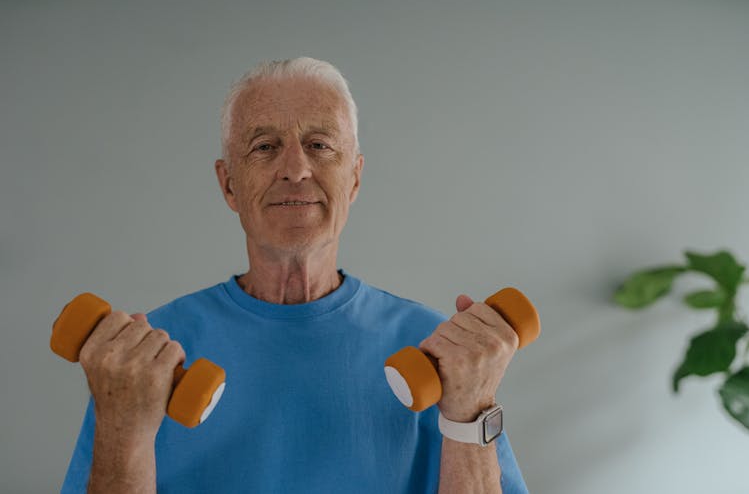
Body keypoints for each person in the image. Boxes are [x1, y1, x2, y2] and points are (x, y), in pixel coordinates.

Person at [61, 57, 529, 494]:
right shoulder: (144, 361)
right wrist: (123, 432)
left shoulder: (438, 350)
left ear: (354, 179)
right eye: (265, 147)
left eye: (320, 145)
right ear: (229, 184)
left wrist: (470, 416)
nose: (296, 169)